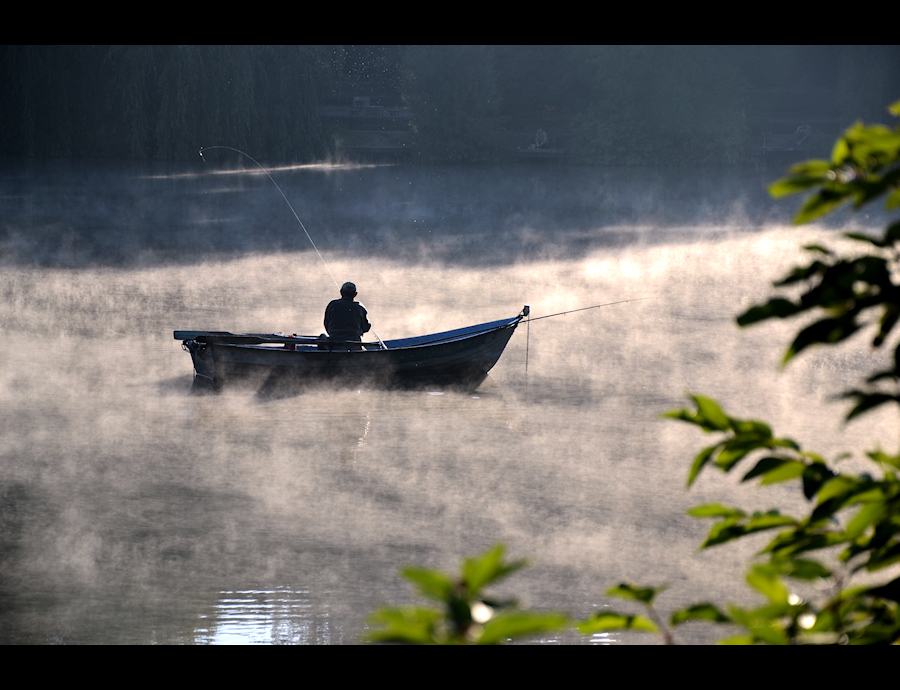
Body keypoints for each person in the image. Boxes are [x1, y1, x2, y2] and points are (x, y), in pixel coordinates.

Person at [322, 282, 371, 350]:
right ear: (355, 294)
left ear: (341, 292)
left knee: (322, 337)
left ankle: (324, 357)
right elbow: (366, 328)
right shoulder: (360, 308)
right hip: (354, 345)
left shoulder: (332, 305)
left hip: (334, 344)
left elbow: (326, 324)